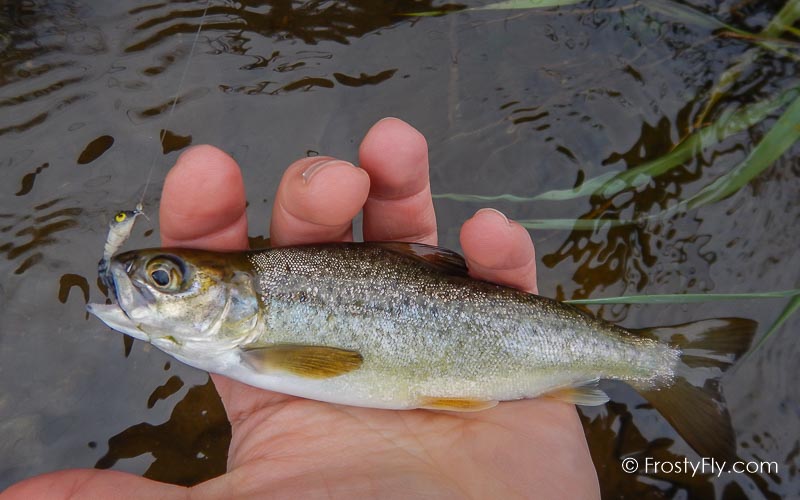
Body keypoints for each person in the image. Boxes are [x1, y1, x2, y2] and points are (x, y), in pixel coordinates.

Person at [2, 118, 600, 498]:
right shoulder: (248, 346)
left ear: (235, 297)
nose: (142, 283)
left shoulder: (255, 349)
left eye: (164, 276)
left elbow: (330, 365)